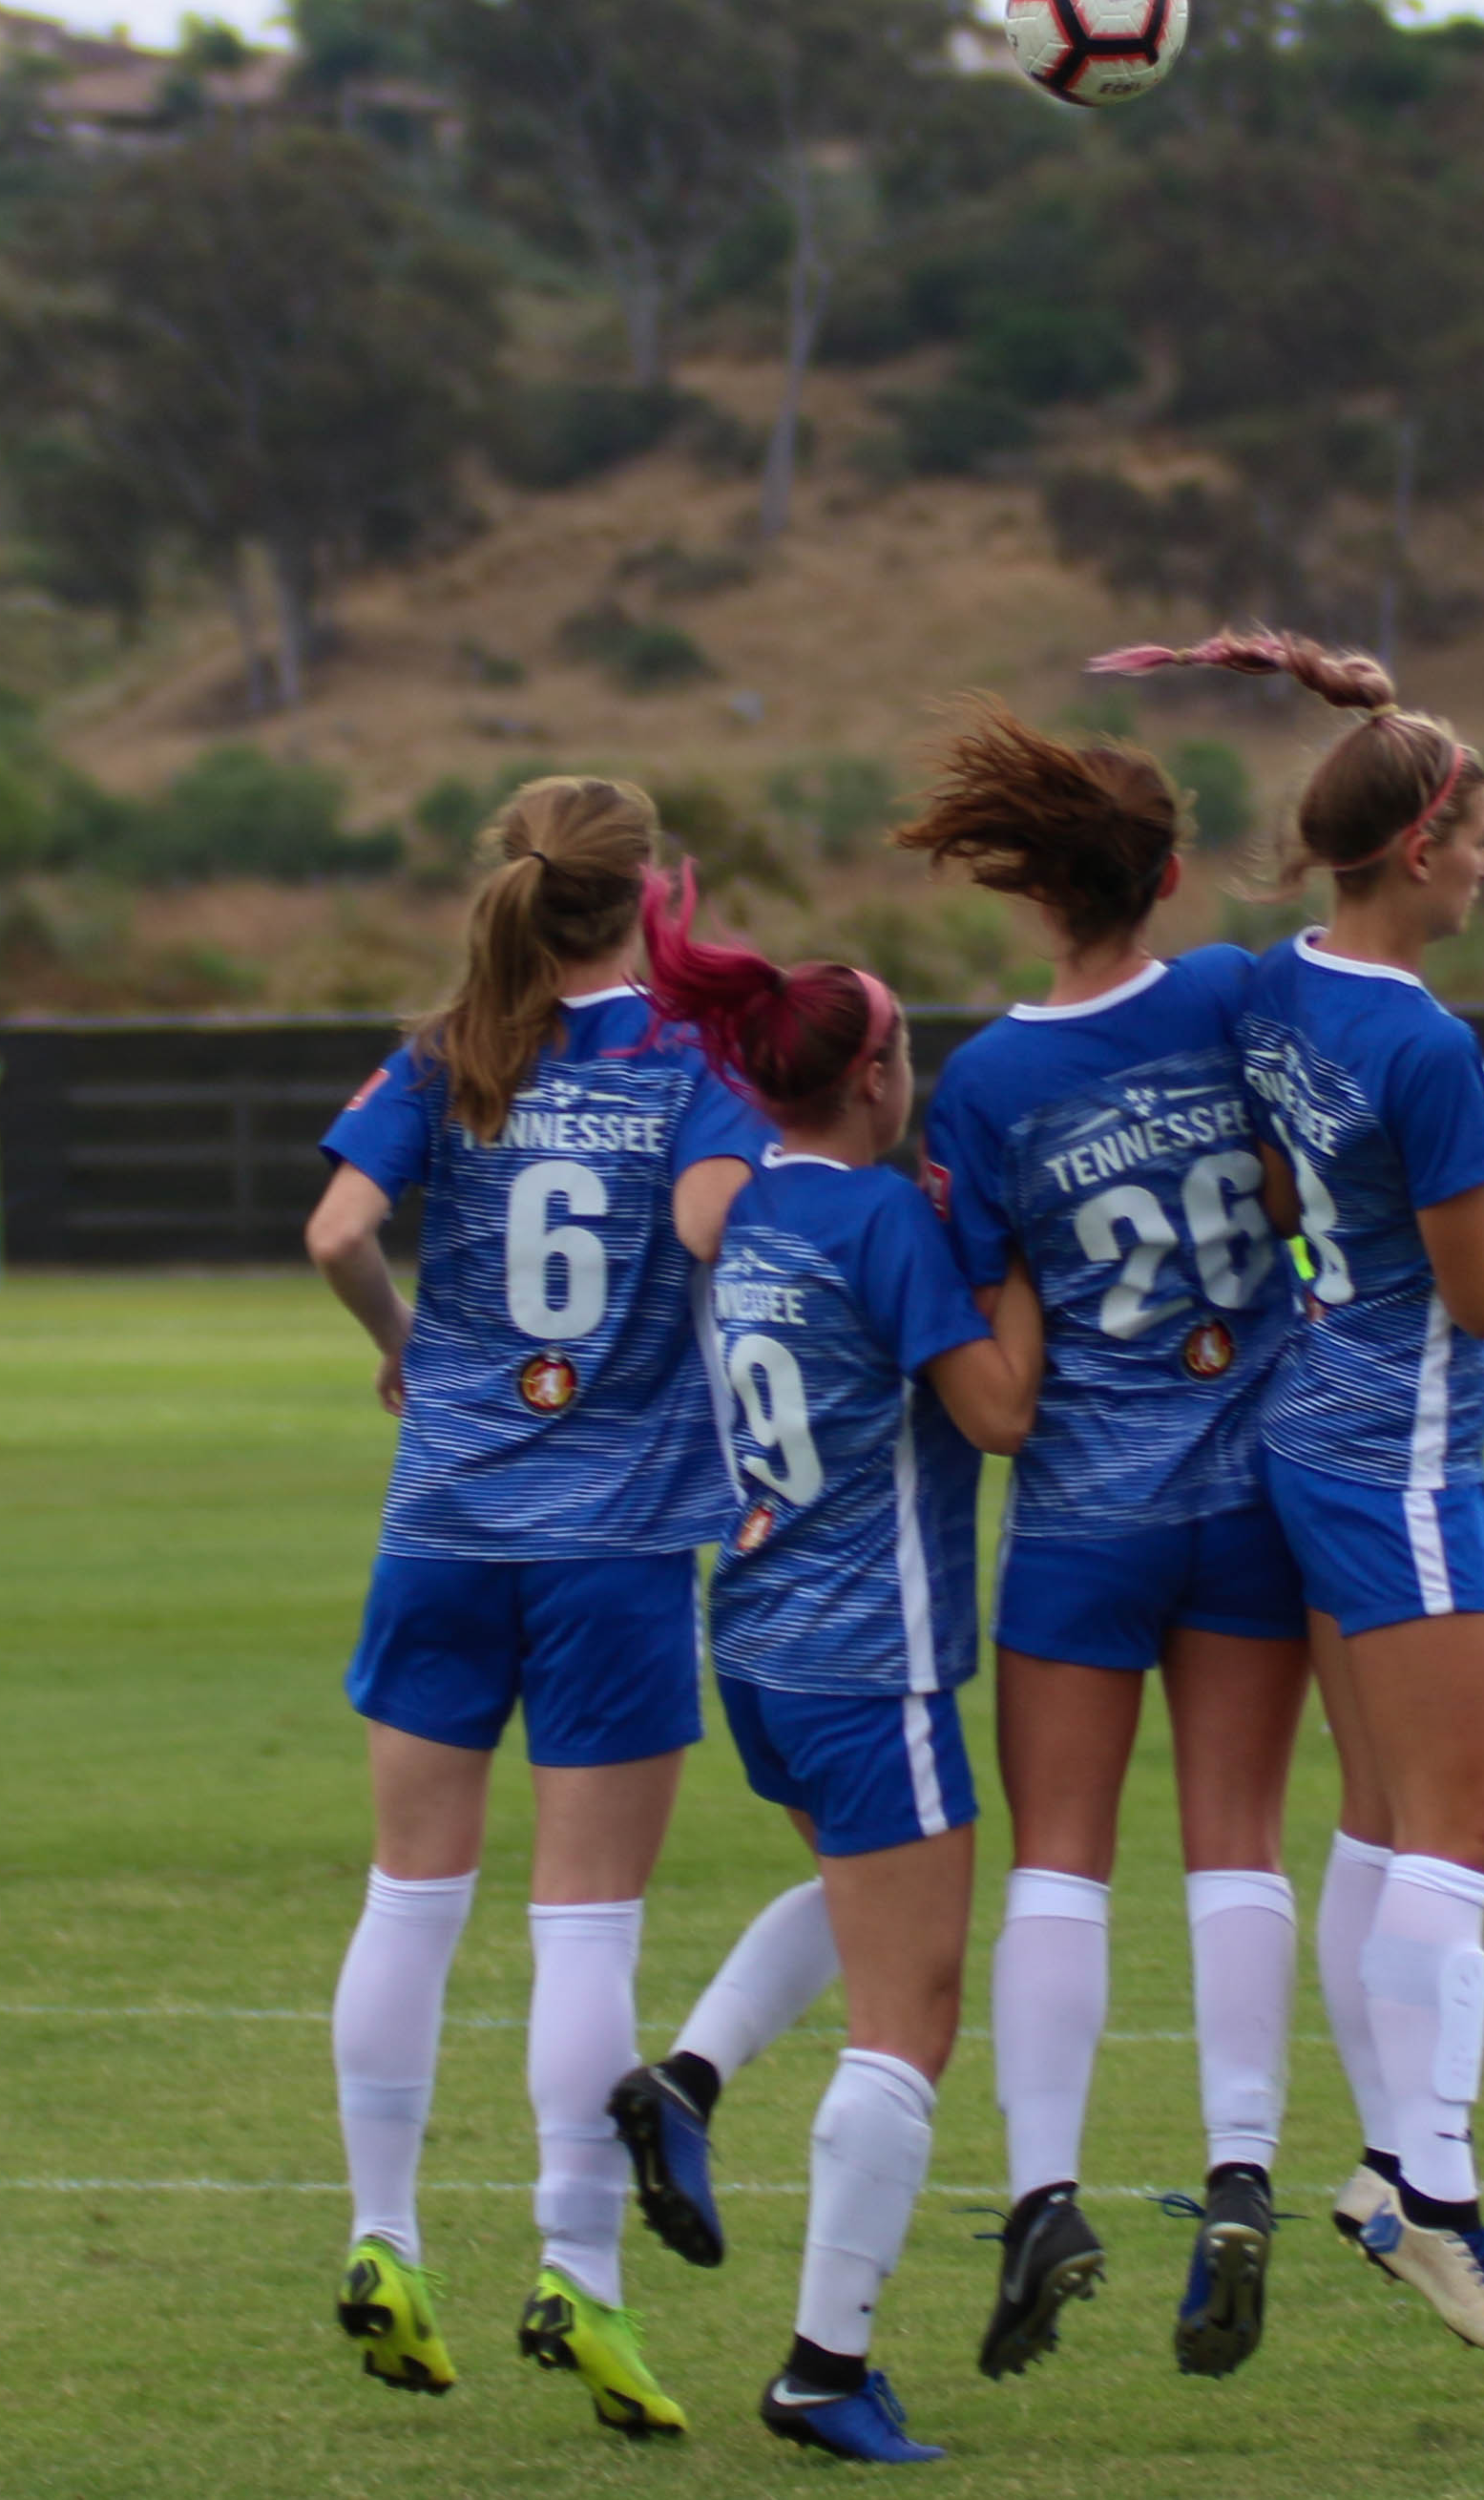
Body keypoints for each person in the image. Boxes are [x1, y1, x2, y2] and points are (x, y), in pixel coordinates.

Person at [1095, 625, 1484, 2366]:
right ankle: (1434, 2197)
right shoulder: (1432, 1053)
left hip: (1302, 1427)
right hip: (1400, 1457)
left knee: (1386, 1824)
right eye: (1481, 832)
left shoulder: (1275, 984)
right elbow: (1483, 1295)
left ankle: (1392, 2174)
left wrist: (1376, 694)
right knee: (1461, 1839)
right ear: (1421, 847)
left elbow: (1268, 1166)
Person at [298, 777, 769, 2440]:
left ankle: (383, 2237)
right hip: (617, 1545)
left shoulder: (449, 1049)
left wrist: (404, 1344)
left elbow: (339, 1227)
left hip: (441, 1524)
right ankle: (579, 2271)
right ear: (647, 898)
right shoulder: (694, 1062)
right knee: (586, 1926)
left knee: (409, 1898)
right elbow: (720, 1225)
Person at [890, 702, 1311, 2380]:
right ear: (1170, 876)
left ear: (1035, 891)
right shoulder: (1228, 994)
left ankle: (1046, 2195)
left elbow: (1006, 1381)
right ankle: (1239, 2178)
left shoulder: (988, 1083)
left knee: (1061, 1857)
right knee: (1238, 1840)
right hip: (1253, 1499)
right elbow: (1295, 1183)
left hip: (1081, 1516)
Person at [611, 873, 1038, 2463]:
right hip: (878, 1655)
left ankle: (691, 2080)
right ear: (870, 1077)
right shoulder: (878, 1220)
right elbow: (997, 1414)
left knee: (867, 1906)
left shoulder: (755, 1211)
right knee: (910, 2015)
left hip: (763, 1643)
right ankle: (822, 2363)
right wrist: (1026, 1262)